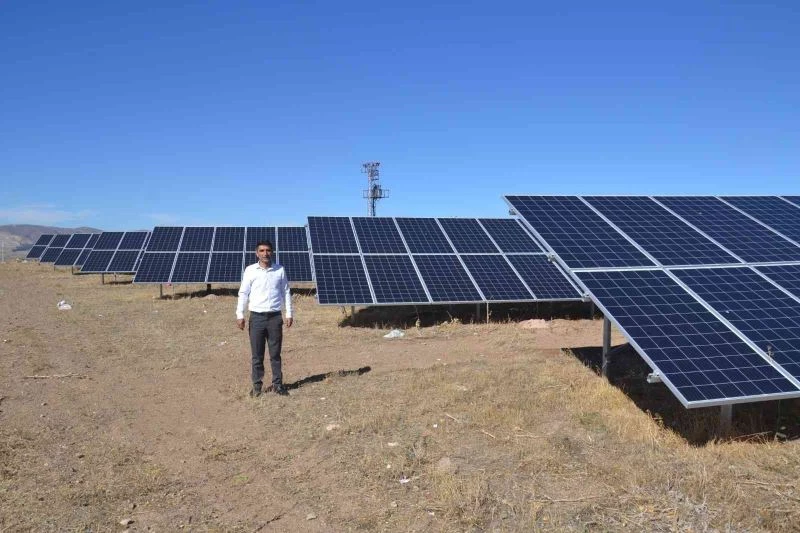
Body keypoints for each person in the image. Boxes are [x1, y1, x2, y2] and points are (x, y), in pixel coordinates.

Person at [236, 240, 293, 397]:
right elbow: (243, 293)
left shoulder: (279, 270)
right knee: (257, 355)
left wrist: (289, 313)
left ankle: (278, 385)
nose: (265, 253)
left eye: (268, 250)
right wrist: (240, 315)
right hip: (257, 318)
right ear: (257, 253)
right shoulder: (250, 271)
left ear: (272, 252)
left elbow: (286, 292)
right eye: (262, 250)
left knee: (275, 354)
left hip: (275, 317)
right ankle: (257, 386)